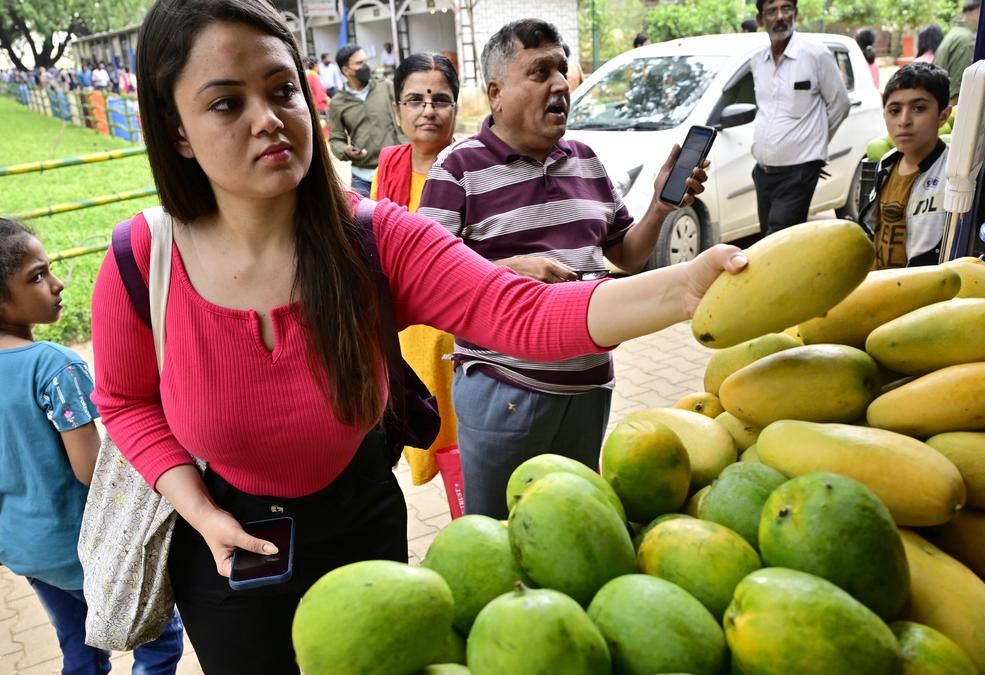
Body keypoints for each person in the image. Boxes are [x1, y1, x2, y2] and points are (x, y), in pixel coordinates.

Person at [93, 2, 744, 672]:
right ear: (176, 131)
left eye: (282, 89)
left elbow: (520, 312)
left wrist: (683, 287)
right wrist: (198, 510)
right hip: (225, 552)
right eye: (226, 104)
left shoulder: (376, 238)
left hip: (360, 526)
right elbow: (126, 402)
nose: (269, 119)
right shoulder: (142, 261)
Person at [419, 18, 711, 518]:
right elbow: (427, 280)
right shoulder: (457, 169)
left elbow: (625, 253)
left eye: (561, 70)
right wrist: (510, 269)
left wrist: (661, 208)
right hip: (503, 393)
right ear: (496, 93)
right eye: (539, 72)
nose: (560, 84)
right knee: (498, 535)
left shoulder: (588, 161)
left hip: (588, 388)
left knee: (570, 524)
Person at [0, 218, 186, 674]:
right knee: (160, 642)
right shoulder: (53, 367)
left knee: (79, 650)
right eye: (37, 276)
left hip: (25, 549)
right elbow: (91, 470)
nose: (58, 284)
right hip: (86, 550)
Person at [370, 53, 462, 485]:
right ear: (397, 110)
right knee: (426, 437)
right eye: (415, 100)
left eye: (440, 99)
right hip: (408, 338)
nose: (428, 110)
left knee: (465, 448)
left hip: (461, 335)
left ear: (456, 109)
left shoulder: (473, 166)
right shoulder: (388, 167)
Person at [859, 63, 985, 268]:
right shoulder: (886, 164)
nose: (904, 121)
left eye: (919, 108)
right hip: (883, 287)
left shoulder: (959, 168)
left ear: (943, 115)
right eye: (894, 110)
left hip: (931, 291)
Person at [750, 0, 850, 237]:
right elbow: (765, 109)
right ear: (761, 20)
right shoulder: (757, 61)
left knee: (778, 236)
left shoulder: (815, 54)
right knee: (769, 239)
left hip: (798, 171)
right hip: (763, 172)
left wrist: (815, 148)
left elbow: (840, 104)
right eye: (772, 11)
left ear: (796, 13)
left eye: (786, 9)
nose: (780, 16)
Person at [327, 43, 405, 196]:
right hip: (361, 179)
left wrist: (405, 145)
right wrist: (346, 150)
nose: (366, 66)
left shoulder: (386, 87)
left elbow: (408, 117)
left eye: (366, 61)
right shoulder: (338, 102)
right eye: (359, 63)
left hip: (394, 172)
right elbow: (336, 139)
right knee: (361, 220)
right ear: (346, 70)